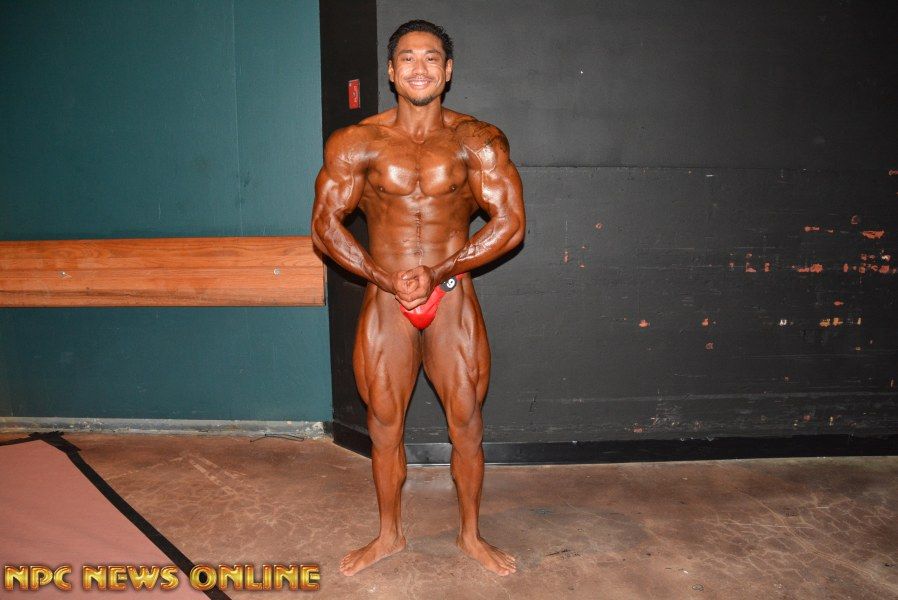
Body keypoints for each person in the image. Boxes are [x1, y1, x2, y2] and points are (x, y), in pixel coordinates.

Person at [311, 19, 525, 576]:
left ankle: (471, 535)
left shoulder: (476, 140)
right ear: (391, 71)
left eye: (432, 58)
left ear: (448, 71)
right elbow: (325, 226)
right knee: (383, 423)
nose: (420, 67)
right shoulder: (356, 142)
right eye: (407, 58)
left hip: (450, 291)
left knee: (467, 422)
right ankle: (389, 534)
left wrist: (442, 269)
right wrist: (384, 278)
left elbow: (510, 223)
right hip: (387, 296)